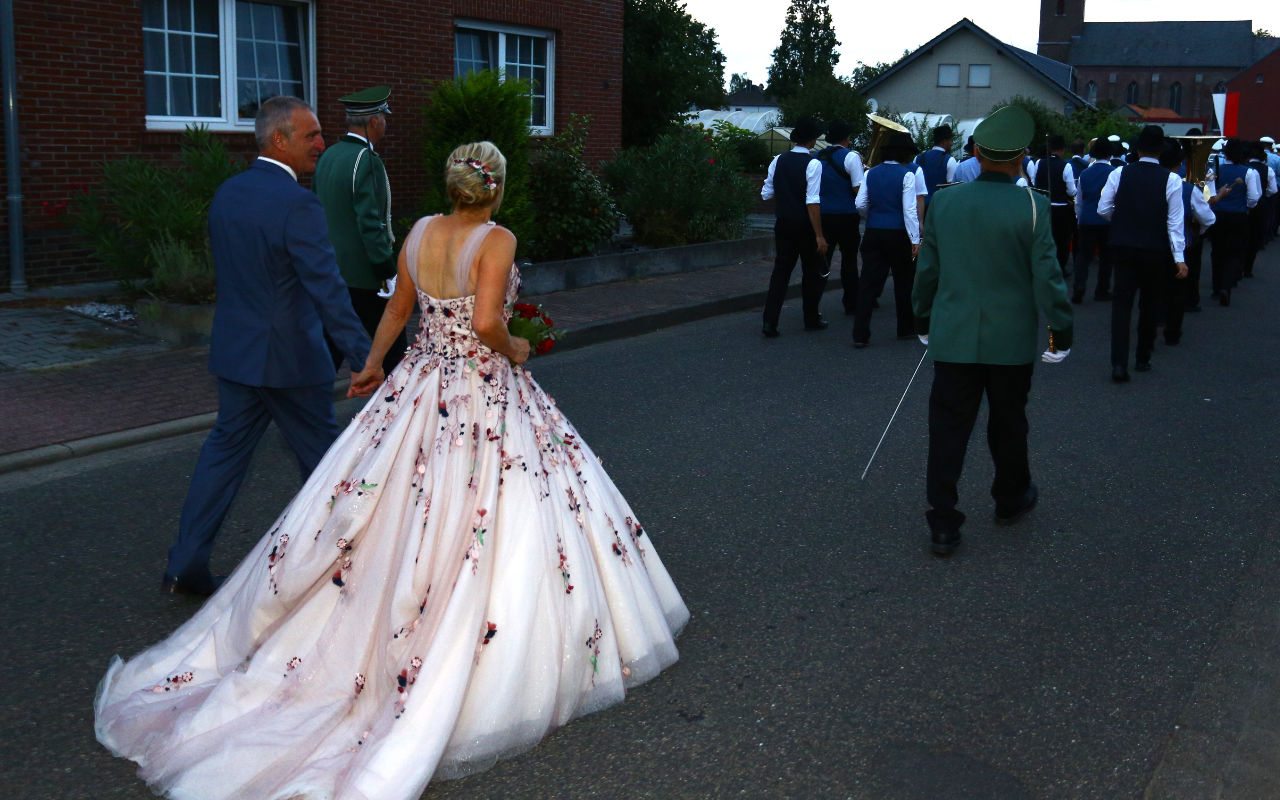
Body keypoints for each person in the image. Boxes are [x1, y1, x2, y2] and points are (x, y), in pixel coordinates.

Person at [95, 140, 689, 800]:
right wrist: (516, 346)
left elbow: (399, 308)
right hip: (481, 389)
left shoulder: (421, 231)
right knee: (495, 511)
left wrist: (373, 364)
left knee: (384, 506)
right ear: (494, 187)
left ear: (452, 181)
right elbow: (488, 321)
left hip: (417, 387)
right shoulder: (497, 239)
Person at [161, 96, 373, 597]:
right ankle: (341, 570)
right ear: (278, 139)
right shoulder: (298, 204)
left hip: (236, 353)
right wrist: (366, 359)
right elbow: (328, 290)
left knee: (223, 457)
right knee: (327, 464)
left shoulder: (228, 193)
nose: (322, 143)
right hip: (290, 362)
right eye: (311, 135)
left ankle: (183, 566)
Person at [911, 105, 1073, 557]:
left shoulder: (945, 200)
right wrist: (1060, 332)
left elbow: (928, 270)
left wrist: (923, 319)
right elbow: (1049, 278)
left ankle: (943, 520)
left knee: (947, 429)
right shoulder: (1033, 205)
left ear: (977, 153)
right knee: (1008, 423)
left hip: (955, 335)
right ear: (1022, 155)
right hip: (1011, 339)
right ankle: (1009, 498)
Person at [314, 85, 406, 374]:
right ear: (374, 120)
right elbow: (371, 224)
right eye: (384, 117)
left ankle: (309, 406)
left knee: (331, 344)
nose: (386, 123)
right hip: (364, 275)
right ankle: (401, 410)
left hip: (332, 268)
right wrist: (387, 271)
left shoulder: (329, 155)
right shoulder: (366, 160)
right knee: (394, 349)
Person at [1098, 125, 1187, 381]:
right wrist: (1179, 258)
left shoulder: (1119, 173)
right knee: (1150, 303)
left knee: (1122, 305)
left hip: (1124, 244)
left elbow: (1104, 209)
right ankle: (1143, 357)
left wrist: (1123, 220)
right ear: (1160, 151)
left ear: (1137, 148)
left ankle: (1118, 364)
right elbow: (1174, 223)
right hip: (1155, 249)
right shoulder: (1171, 180)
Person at [761, 117, 828, 336]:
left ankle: (769, 322)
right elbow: (813, 201)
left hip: (783, 223)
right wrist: (819, 235)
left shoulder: (778, 159)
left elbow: (766, 193)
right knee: (811, 272)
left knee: (780, 272)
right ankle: (810, 318)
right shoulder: (813, 163)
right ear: (812, 141)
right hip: (805, 226)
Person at [853, 131, 920, 347]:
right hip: (898, 234)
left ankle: (860, 334)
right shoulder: (906, 175)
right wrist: (915, 239)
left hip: (873, 232)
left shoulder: (869, 173)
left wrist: (872, 217)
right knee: (903, 282)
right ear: (904, 154)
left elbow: (860, 204)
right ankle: (905, 329)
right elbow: (909, 211)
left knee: (867, 284)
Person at [1157, 139, 1215, 345]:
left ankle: (1156, 319)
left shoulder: (1146, 182)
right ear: (1179, 164)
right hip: (1181, 245)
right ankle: (1173, 332)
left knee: (1153, 286)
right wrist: (1197, 231)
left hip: (1151, 243)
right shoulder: (1188, 189)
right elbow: (1208, 219)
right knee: (1177, 290)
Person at [816, 119, 866, 315]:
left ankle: (813, 304)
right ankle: (851, 303)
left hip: (822, 215)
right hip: (846, 216)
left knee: (822, 261)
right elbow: (857, 188)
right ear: (846, 139)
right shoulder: (851, 157)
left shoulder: (817, 156)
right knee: (849, 261)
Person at [1206, 138, 1262, 305]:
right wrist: (1245, 206)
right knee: (1234, 252)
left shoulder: (1214, 171)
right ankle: (1226, 286)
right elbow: (1253, 197)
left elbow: (1208, 195)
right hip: (1238, 216)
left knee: (1217, 251)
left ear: (1226, 153)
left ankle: (1216, 288)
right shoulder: (1250, 172)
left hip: (1217, 215)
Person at [1073, 138, 1117, 304]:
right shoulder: (1114, 173)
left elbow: (1079, 200)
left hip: (1087, 219)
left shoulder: (1085, 174)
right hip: (1107, 221)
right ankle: (1102, 290)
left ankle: (1079, 286)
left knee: (1083, 257)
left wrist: (1079, 218)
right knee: (1106, 257)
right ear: (1109, 154)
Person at [1028, 134, 1078, 279]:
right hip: (1061, 208)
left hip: (1043, 206)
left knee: (1044, 239)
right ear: (1062, 149)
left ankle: (1043, 267)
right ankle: (1060, 268)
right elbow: (1071, 191)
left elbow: (1036, 183)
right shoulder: (1066, 166)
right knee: (1062, 241)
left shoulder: (1039, 163)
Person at [914, 124, 958, 213]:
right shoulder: (950, 160)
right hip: (939, 208)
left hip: (918, 207)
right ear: (944, 141)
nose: (951, 143)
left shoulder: (918, 157)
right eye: (950, 140)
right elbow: (951, 190)